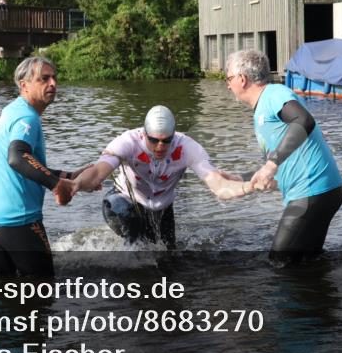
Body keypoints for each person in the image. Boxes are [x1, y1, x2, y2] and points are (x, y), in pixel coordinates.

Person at [225, 49, 342, 262]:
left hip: (313, 191)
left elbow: (304, 121)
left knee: (280, 263)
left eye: (229, 78)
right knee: (305, 264)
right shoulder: (263, 108)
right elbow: (285, 162)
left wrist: (271, 165)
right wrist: (241, 179)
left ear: (242, 79)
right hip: (318, 192)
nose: (228, 85)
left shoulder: (274, 94)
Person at [73, 105, 247, 249]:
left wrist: (247, 187)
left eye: (166, 140)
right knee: (137, 243)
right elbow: (97, 172)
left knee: (169, 254)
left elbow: (216, 183)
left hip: (162, 209)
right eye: (154, 140)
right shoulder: (128, 142)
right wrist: (76, 184)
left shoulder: (187, 147)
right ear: (144, 133)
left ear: (174, 135)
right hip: (121, 200)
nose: (160, 146)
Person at [0, 57, 83, 278]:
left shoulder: (12, 110)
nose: (53, 83)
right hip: (18, 220)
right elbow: (17, 157)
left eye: (54, 77)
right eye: (44, 79)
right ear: (24, 84)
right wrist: (57, 185)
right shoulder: (28, 117)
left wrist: (68, 176)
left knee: (2, 294)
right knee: (42, 292)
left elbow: (26, 167)